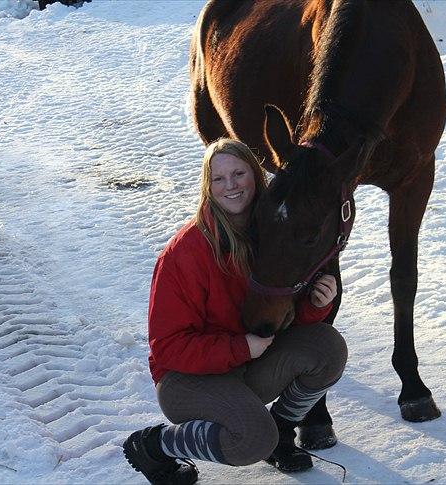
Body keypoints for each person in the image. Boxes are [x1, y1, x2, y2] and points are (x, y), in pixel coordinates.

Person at [122, 138, 347, 485]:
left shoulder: (271, 234)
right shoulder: (186, 251)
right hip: (187, 380)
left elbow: (278, 316)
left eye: (239, 173)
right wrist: (240, 348)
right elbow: (167, 348)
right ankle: (155, 445)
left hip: (245, 365)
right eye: (219, 178)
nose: (231, 185)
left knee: (327, 347)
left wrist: (316, 306)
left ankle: (282, 432)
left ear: (255, 177)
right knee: (253, 440)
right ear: (207, 187)